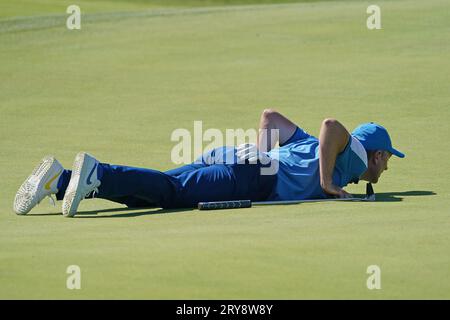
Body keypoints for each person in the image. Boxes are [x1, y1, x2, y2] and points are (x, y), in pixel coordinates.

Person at [13, 109, 405, 217]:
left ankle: (61, 180)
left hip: (238, 160)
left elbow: (270, 117)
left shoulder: (311, 147)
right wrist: (327, 184)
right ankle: (97, 173)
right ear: (378, 153)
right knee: (173, 193)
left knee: (156, 191)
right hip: (251, 176)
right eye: (387, 161)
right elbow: (332, 126)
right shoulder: (353, 159)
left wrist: (260, 155)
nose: (384, 170)